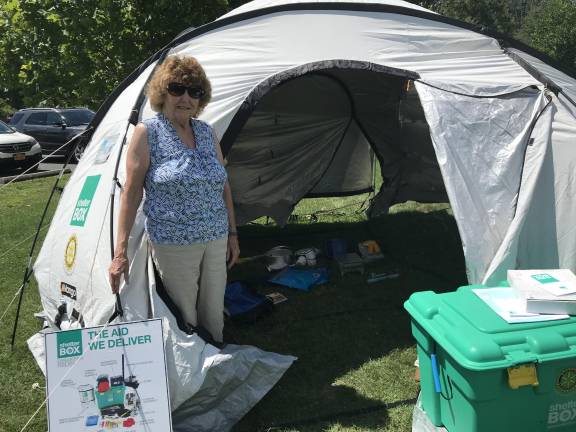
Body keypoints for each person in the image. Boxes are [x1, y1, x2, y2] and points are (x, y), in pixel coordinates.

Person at [108, 55, 240, 343]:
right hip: (175, 242)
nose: (186, 98)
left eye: (195, 92)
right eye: (177, 88)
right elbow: (131, 192)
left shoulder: (206, 132)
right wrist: (120, 253)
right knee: (185, 316)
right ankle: (190, 369)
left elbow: (223, 185)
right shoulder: (148, 132)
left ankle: (214, 355)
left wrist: (232, 234)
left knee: (213, 309)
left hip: (215, 237)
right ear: (162, 91)